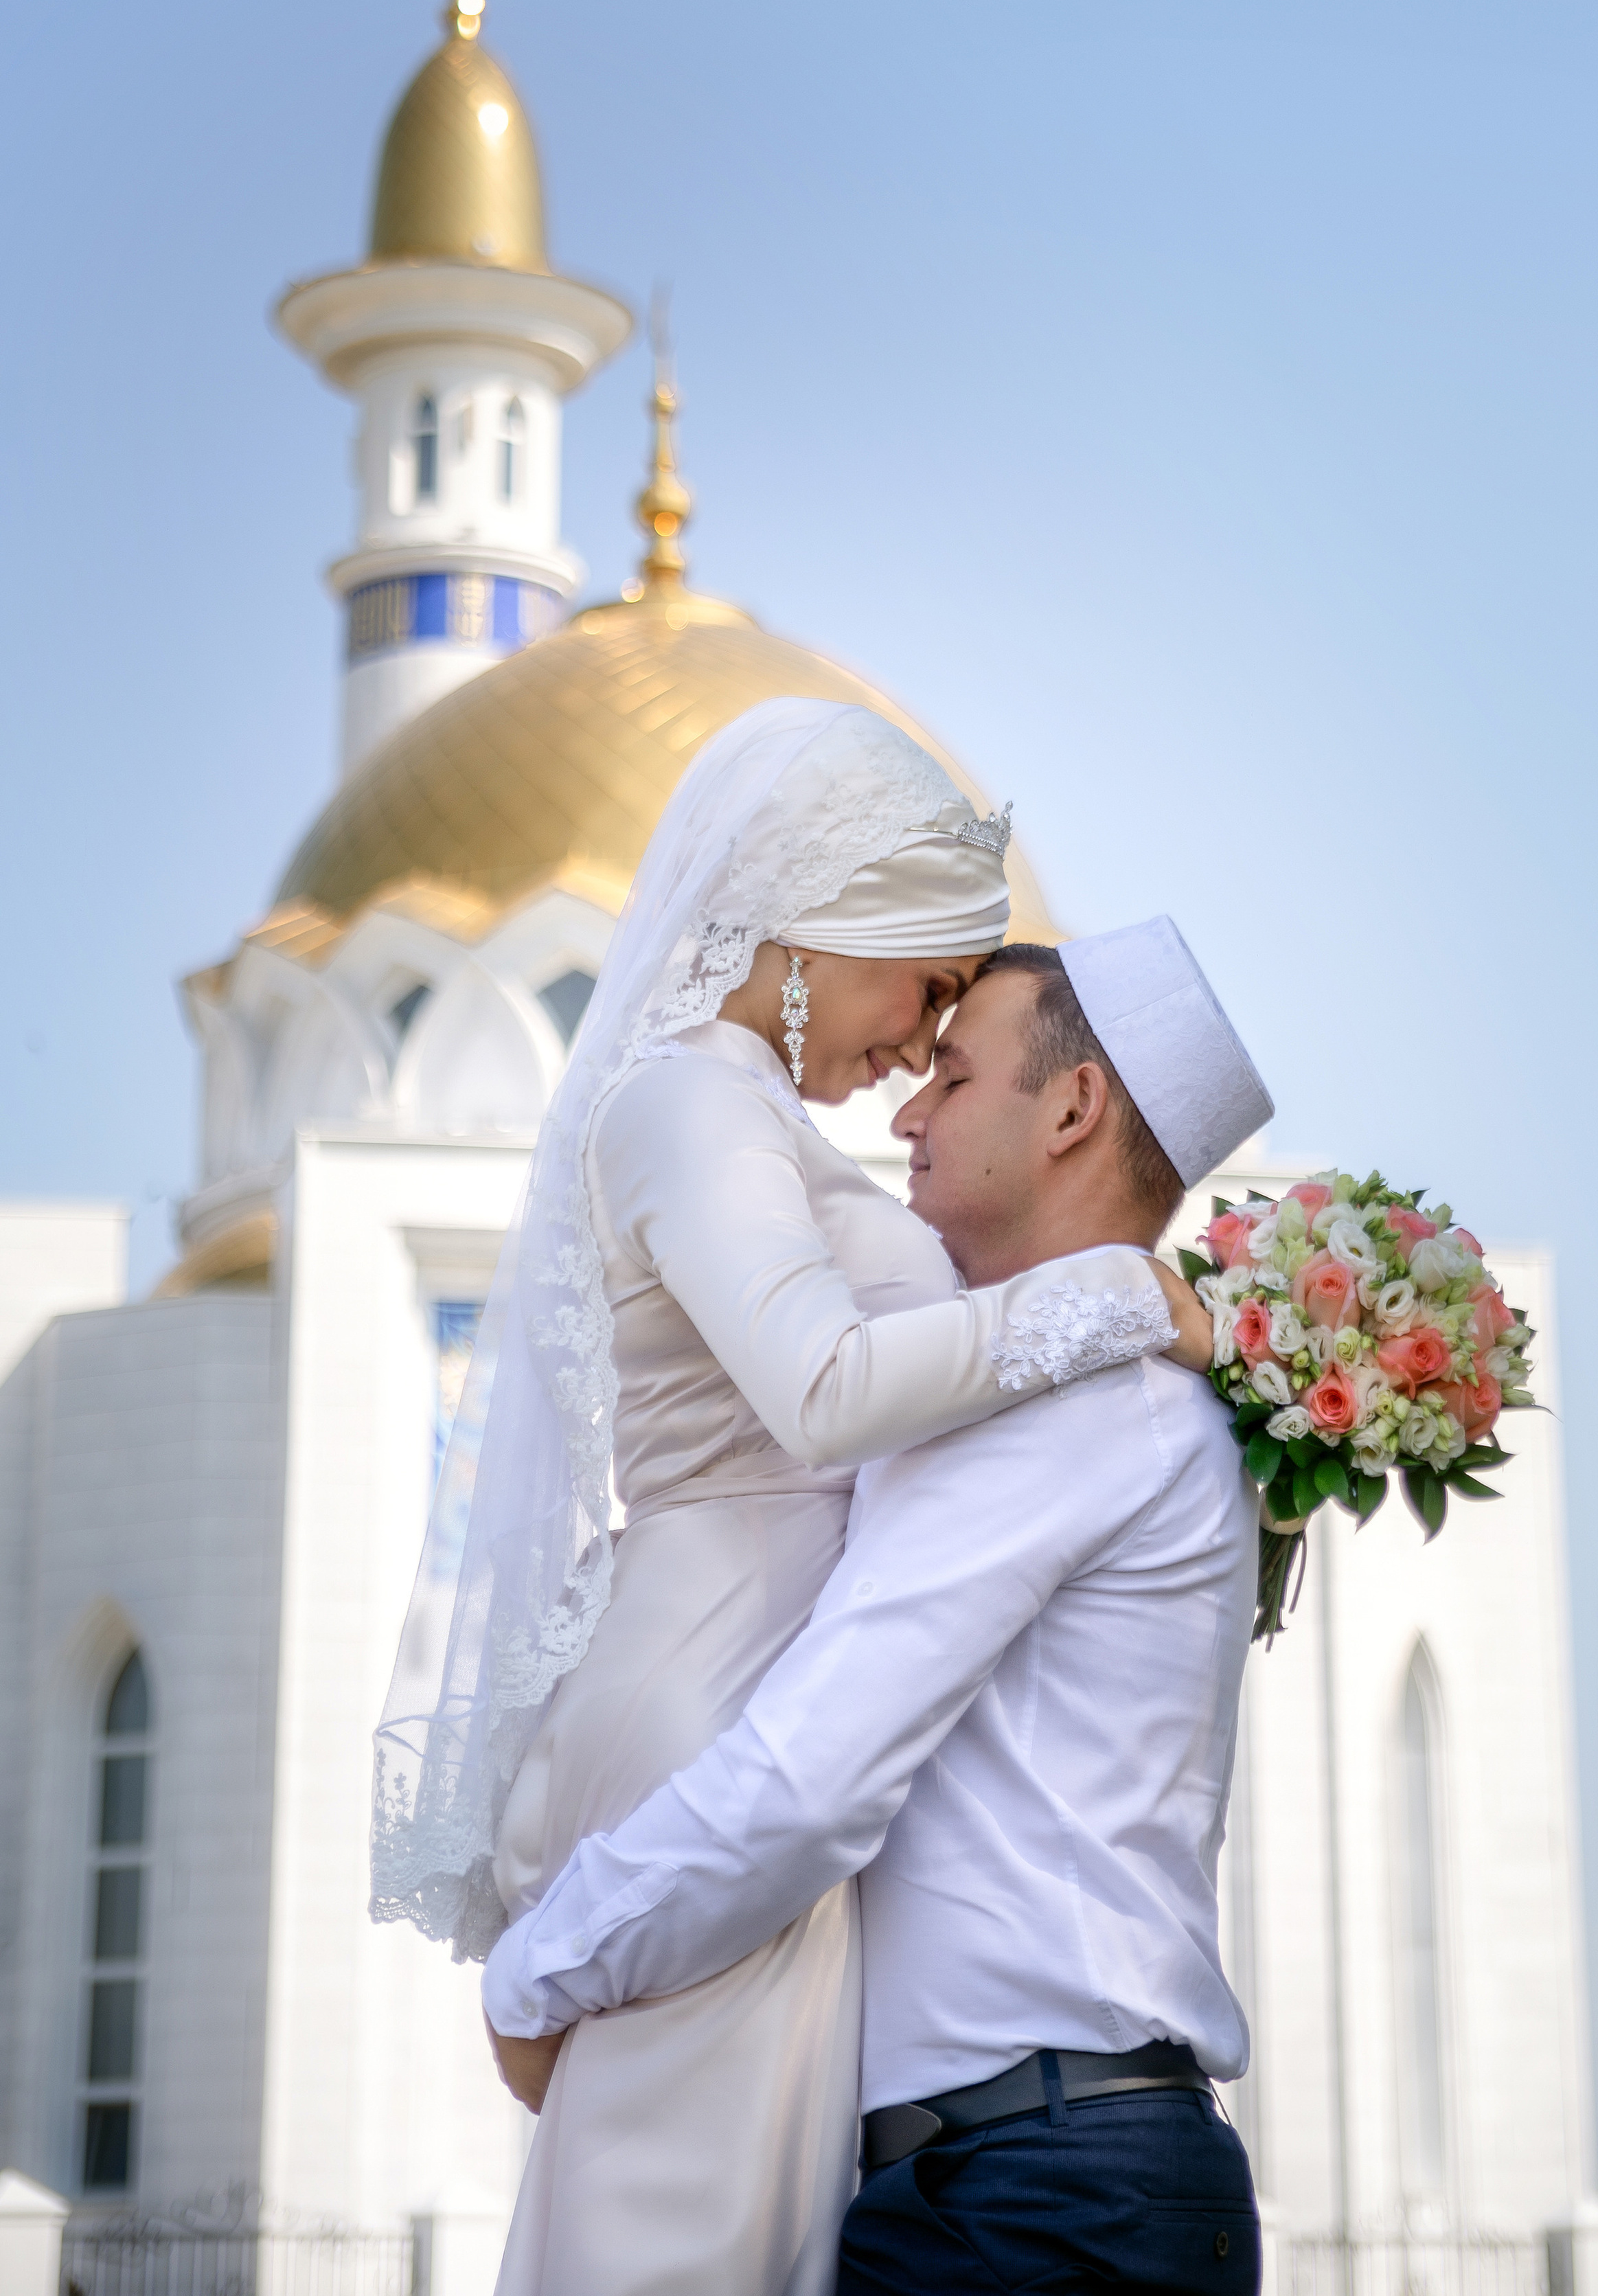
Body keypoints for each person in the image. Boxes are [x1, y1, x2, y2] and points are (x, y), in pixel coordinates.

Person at [371, 701, 1217, 2296]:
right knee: (682, 2239)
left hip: (749, 1665)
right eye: (929, 989)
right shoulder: (688, 1096)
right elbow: (821, 1390)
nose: (911, 1051)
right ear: (837, 925)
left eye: (954, 1033)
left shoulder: (743, 1113)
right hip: (715, 1694)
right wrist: (1123, 1299)